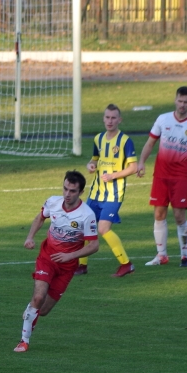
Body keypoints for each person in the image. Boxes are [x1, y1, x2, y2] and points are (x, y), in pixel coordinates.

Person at [14, 171, 98, 353]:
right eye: (65, 189)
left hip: (67, 267)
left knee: (42, 310)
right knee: (38, 297)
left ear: (81, 192)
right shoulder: (53, 202)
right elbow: (40, 218)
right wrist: (30, 237)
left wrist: (70, 256)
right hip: (47, 258)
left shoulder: (86, 215)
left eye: (73, 191)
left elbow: (94, 245)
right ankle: (24, 341)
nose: (67, 194)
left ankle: (31, 311)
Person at [136, 86, 187, 268]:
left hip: (180, 177)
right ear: (175, 100)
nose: (182, 105)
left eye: (186, 102)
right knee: (159, 214)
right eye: (180, 101)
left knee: (178, 216)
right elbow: (151, 142)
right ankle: (161, 256)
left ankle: (185, 256)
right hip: (160, 175)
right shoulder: (163, 119)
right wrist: (141, 162)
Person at [76, 104, 137, 277]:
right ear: (103, 119)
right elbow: (94, 159)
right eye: (107, 117)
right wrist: (90, 165)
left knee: (102, 228)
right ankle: (82, 265)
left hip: (113, 193)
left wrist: (114, 175)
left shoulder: (125, 141)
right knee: (87, 226)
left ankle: (126, 264)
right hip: (96, 192)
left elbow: (133, 167)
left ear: (119, 120)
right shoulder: (98, 139)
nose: (110, 121)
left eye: (113, 118)